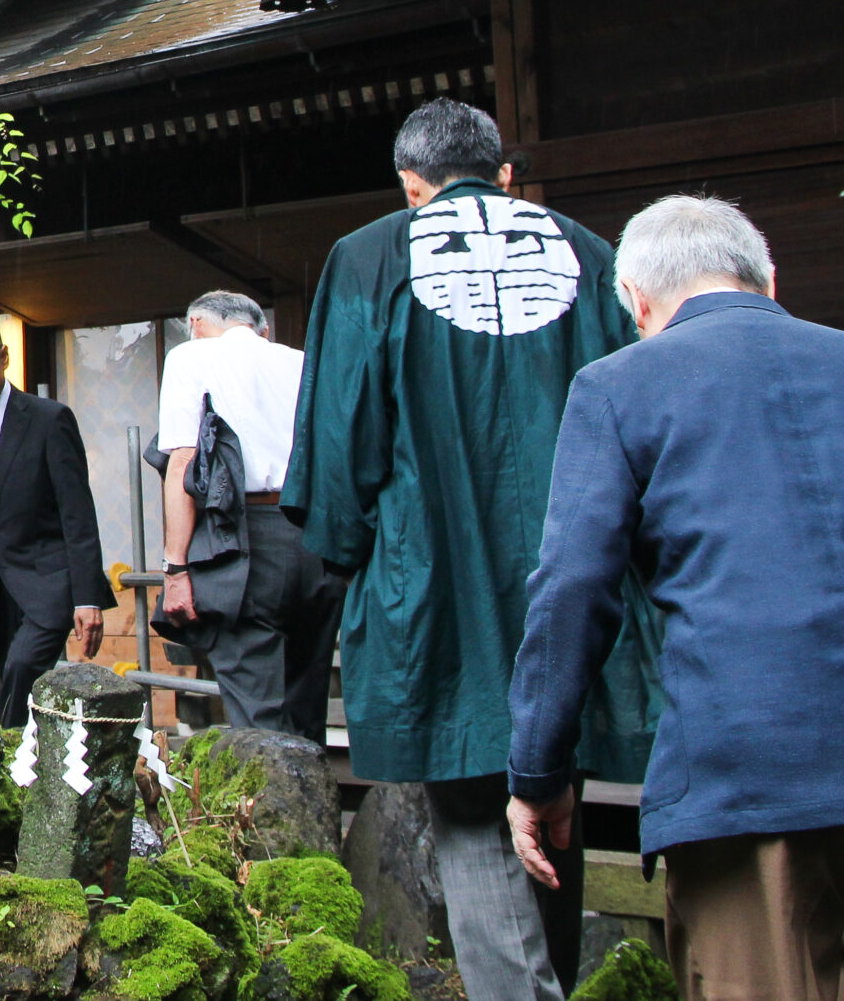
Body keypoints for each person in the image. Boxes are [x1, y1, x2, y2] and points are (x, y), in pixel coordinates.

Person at [286, 96, 660, 1001]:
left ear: (411, 185)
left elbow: (341, 446)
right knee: (552, 788)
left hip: (436, 574)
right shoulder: (589, 253)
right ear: (504, 173)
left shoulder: (371, 256)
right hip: (580, 573)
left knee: (472, 804)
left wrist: (347, 554)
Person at [507, 197, 844, 1001]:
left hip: (746, 778)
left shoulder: (621, 384)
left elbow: (572, 588)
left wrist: (539, 771)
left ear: (638, 301)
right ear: (768, 279)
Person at [154, 289, 341, 742]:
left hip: (242, 539)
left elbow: (183, 462)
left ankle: (270, 789)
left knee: (258, 721)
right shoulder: (301, 361)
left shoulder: (191, 356)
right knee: (306, 707)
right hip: (314, 537)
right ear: (262, 329)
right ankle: (312, 785)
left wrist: (175, 568)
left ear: (196, 324)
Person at [0, 313, 111, 728]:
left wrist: (87, 598)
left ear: (3, 358)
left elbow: (78, 515)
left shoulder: (49, 420)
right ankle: (26, 754)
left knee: (23, 667)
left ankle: (5, 749)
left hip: (50, 581)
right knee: (2, 673)